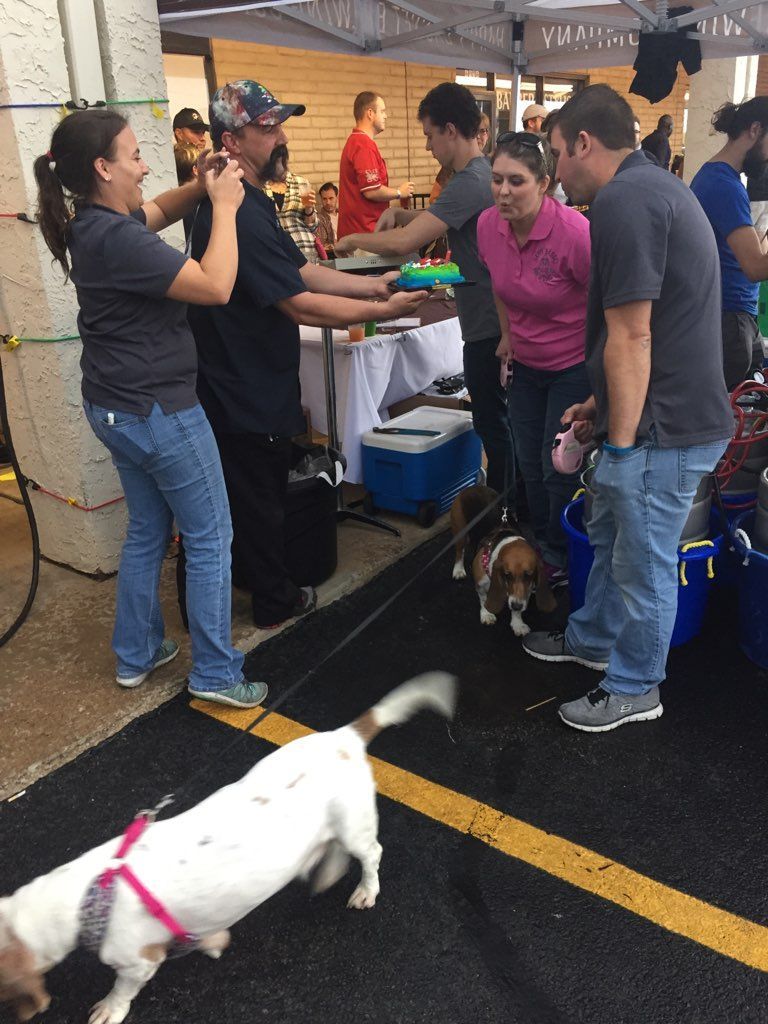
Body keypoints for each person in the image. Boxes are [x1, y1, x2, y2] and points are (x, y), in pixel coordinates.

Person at [33, 108, 269, 709]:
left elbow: (159, 209)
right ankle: (215, 672)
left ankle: (136, 653)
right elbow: (215, 286)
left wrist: (200, 183)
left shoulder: (91, 224)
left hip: (114, 409)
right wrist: (224, 207)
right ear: (102, 167)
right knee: (210, 535)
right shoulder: (118, 239)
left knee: (146, 530)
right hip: (160, 411)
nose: (144, 167)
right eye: (135, 156)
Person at [523, 84, 733, 732]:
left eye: (557, 154)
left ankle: (637, 686)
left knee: (643, 564)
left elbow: (634, 334)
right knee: (614, 538)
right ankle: (591, 641)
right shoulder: (650, 187)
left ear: (584, 143)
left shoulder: (625, 199)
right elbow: (657, 327)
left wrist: (617, 445)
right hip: (663, 413)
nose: (556, 173)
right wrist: (601, 403)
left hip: (664, 428)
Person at [188, 81, 426, 629]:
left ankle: (256, 580)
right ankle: (274, 601)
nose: (281, 137)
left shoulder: (248, 200)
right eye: (266, 128)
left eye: (280, 124)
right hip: (242, 387)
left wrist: (374, 285)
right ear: (231, 141)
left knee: (256, 495)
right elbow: (299, 305)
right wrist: (383, 310)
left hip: (249, 380)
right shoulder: (237, 212)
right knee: (259, 502)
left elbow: (299, 270)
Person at [335, 81, 516, 499]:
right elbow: (431, 221)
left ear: (450, 130)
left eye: (430, 135)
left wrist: (353, 240)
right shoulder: (475, 177)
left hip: (489, 325)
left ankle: (506, 510)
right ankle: (507, 505)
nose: (428, 146)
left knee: (495, 426)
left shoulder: (471, 180)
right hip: (486, 320)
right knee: (497, 423)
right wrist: (399, 213)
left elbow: (405, 243)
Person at [477, 132, 591, 585]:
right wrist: (507, 335)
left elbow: (610, 304)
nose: (503, 191)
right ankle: (542, 544)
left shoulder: (574, 234)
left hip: (573, 364)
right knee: (527, 460)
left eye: (516, 181)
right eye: (497, 180)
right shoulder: (487, 225)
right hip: (526, 364)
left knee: (557, 466)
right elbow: (499, 285)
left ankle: (558, 553)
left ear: (544, 183)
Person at [690, 98, 768, 388]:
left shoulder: (720, 178)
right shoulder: (724, 186)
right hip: (729, 319)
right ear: (755, 130)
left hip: (734, 315)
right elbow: (756, 267)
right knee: (727, 409)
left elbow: (754, 252)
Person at [337, 91, 414, 239]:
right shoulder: (363, 145)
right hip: (364, 233)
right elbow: (372, 191)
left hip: (360, 232)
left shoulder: (357, 141)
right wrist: (399, 192)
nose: (386, 116)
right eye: (382, 111)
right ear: (370, 113)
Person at [264, 147, 320, 263]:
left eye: (281, 159)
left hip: (303, 247)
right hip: (275, 251)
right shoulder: (261, 185)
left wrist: (309, 209)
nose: (279, 165)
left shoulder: (300, 182)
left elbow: (313, 227)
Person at [317, 181, 339, 256]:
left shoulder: (343, 215)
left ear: (337, 198)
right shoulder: (319, 218)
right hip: (334, 255)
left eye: (331, 198)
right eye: (324, 199)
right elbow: (323, 245)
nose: (328, 202)